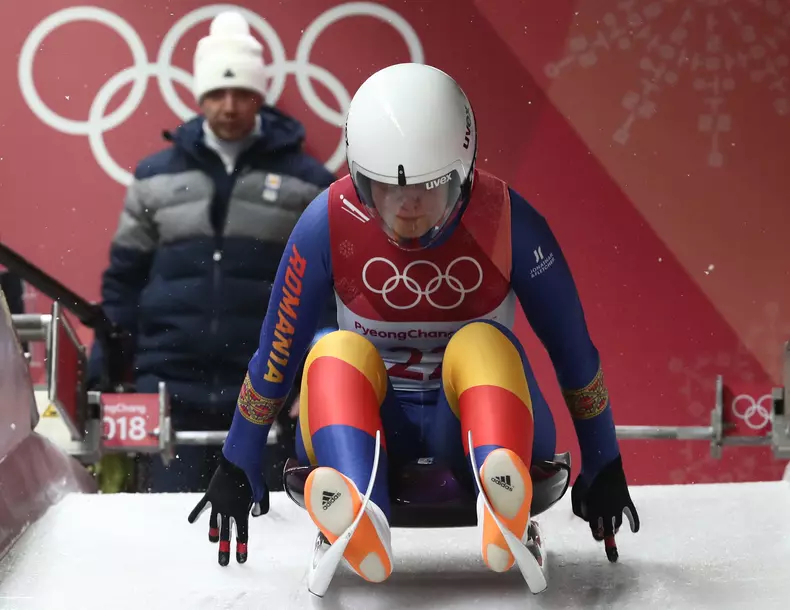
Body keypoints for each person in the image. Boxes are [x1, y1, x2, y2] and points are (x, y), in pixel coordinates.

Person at [188, 63, 640, 579]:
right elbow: (277, 355)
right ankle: (361, 510)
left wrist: (605, 461)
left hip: (476, 420)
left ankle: (499, 489)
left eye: (432, 189)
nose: (408, 208)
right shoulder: (326, 221)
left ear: (465, 173)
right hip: (370, 427)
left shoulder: (511, 222)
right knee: (334, 351)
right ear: (359, 179)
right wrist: (237, 457)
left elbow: (573, 354)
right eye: (385, 189)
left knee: (481, 340)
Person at [87, 11, 336, 493]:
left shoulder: (307, 181)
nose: (228, 106)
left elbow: (326, 294)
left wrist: (314, 380)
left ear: (259, 95)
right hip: (170, 394)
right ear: (200, 96)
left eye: (241, 92)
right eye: (217, 93)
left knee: (269, 543)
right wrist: (104, 372)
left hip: (269, 395)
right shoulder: (153, 177)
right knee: (168, 539)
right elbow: (124, 283)